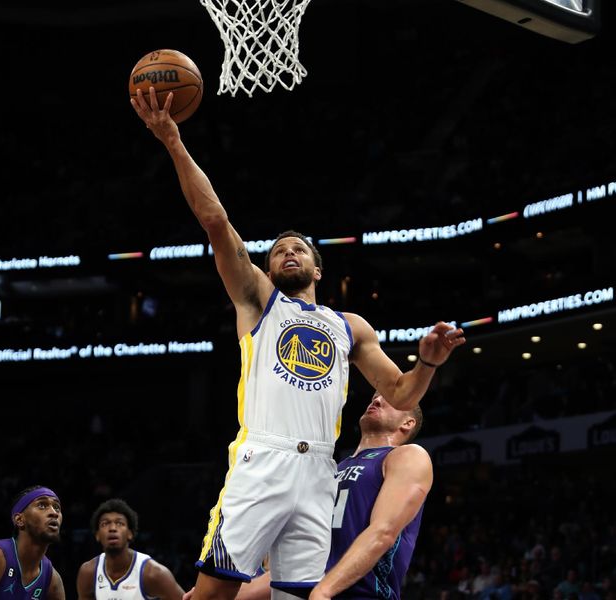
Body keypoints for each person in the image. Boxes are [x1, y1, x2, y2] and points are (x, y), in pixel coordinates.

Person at [131, 88, 465, 600]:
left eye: (299, 249)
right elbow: (217, 223)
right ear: (266, 268)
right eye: (279, 250)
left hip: (319, 471)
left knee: (302, 596)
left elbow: (400, 395)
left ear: (317, 266)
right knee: (214, 594)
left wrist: (428, 362)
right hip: (264, 458)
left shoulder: (349, 324)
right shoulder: (259, 301)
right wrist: (174, 142)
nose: (288, 252)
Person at [192, 392, 432, 600]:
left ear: (408, 423)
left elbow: (383, 532)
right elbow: (289, 569)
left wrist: (324, 590)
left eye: (389, 399)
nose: (378, 400)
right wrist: (214, 590)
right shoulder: (330, 470)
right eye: (374, 396)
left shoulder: (407, 456)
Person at [76, 498, 185, 600]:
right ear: (97, 535)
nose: (112, 528)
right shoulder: (88, 572)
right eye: (105, 524)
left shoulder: (153, 573)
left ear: (130, 533)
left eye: (120, 523)